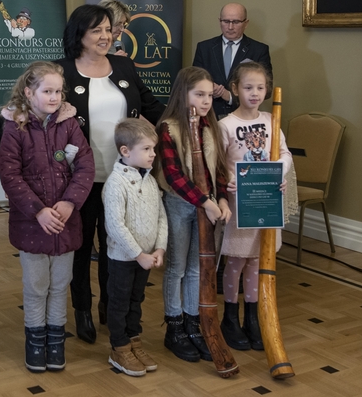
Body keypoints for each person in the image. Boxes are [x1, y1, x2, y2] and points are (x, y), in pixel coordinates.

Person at [0, 4, 164, 344]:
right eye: (96, 30)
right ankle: (82, 309)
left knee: (117, 246)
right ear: (79, 35)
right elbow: (19, 110)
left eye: (108, 29)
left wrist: (188, 122)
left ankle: (110, 307)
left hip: (122, 178)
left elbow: (153, 108)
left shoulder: (124, 66)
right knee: (79, 249)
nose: (105, 36)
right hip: (77, 182)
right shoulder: (63, 70)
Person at [0, 61, 94, 373]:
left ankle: (56, 340)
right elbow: (10, 176)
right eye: (47, 91)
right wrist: (38, 211)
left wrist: (69, 203)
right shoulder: (14, 128)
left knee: (60, 283)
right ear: (29, 93)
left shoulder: (69, 124)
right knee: (37, 285)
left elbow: (85, 166)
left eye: (58, 92)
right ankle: (35, 340)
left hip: (66, 222)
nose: (54, 97)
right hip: (32, 224)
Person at [153, 66, 231, 363]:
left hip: (208, 205)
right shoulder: (169, 128)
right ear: (183, 94)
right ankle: (174, 328)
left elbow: (219, 168)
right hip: (180, 204)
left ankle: (192, 323)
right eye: (199, 94)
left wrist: (221, 199)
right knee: (178, 267)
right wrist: (205, 203)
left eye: (210, 95)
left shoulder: (212, 126)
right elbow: (173, 176)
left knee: (198, 268)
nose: (206, 100)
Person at [218, 62, 293, 351]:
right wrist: (229, 182)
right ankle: (230, 317)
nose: (255, 93)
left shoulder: (271, 120)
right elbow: (219, 162)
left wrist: (278, 174)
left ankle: (252, 317)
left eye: (260, 88)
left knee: (257, 260)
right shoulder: (226, 125)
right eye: (248, 87)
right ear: (235, 89)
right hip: (240, 204)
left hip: (265, 200)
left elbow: (284, 154)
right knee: (236, 260)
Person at [102, 118, 167, 377]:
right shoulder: (115, 183)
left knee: (136, 300)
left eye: (154, 149)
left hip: (146, 258)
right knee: (119, 302)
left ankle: (133, 341)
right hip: (124, 258)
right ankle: (119, 348)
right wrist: (138, 254)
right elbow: (115, 225)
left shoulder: (150, 180)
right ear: (125, 151)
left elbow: (161, 216)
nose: (153, 154)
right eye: (147, 149)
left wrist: (159, 248)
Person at [191, 3, 272, 120]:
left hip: (243, 118)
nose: (230, 27)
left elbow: (267, 90)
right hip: (208, 117)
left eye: (236, 22)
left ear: (246, 23)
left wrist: (230, 96)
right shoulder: (204, 48)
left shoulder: (259, 50)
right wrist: (208, 87)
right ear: (219, 21)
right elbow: (193, 83)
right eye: (226, 21)